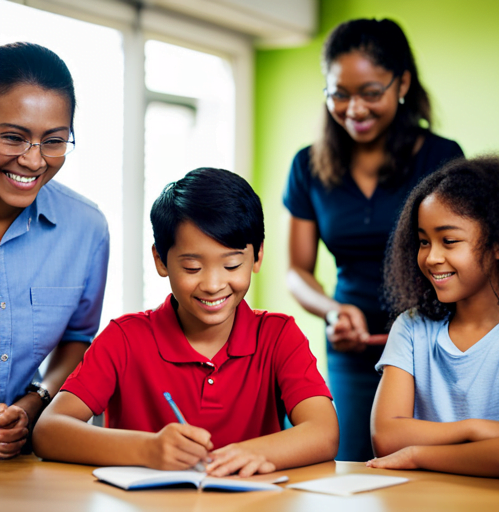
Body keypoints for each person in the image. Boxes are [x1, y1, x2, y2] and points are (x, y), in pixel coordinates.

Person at [33, 168, 339, 476]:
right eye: (192, 268)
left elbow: (324, 432)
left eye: (231, 264)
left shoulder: (278, 335)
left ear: (257, 256)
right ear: (161, 260)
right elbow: (48, 431)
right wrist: (147, 450)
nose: (213, 284)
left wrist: (252, 452)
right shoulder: (124, 338)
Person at [283, 18, 463, 461]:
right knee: (349, 463)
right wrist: (333, 312)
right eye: (339, 94)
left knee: (425, 465)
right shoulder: (308, 166)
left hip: (431, 339)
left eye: (370, 93)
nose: (354, 109)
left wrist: (420, 320)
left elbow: (465, 258)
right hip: (351, 347)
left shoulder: (442, 157)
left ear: (401, 82)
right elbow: (297, 270)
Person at [367, 156, 499, 478]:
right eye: (423, 242)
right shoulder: (412, 327)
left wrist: (419, 455)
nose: (431, 257)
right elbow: (386, 437)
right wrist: (475, 430)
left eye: (449, 241)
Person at [0, 42, 109, 459]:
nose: (33, 160)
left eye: (54, 141)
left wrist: (34, 403)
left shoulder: (86, 229)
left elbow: (78, 340)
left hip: (21, 461)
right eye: (13, 137)